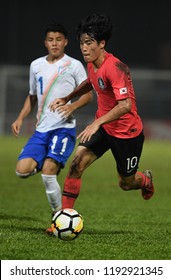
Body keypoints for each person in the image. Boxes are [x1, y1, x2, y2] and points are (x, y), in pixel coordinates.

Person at [49, 13, 155, 213]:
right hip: (104, 127)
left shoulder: (115, 68)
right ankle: (62, 218)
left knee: (126, 183)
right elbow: (90, 82)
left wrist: (95, 123)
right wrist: (67, 97)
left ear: (102, 43)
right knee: (76, 166)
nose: (84, 48)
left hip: (127, 133)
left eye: (89, 43)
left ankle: (145, 180)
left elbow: (125, 105)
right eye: (82, 43)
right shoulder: (92, 63)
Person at [11, 22, 93, 225]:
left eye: (58, 39)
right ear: (45, 43)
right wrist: (21, 117)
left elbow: (88, 96)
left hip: (64, 128)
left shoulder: (73, 65)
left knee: (48, 173)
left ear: (65, 42)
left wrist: (72, 107)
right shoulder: (36, 65)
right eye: (50, 40)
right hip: (41, 130)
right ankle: (50, 161)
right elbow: (31, 96)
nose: (54, 43)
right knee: (21, 171)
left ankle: (59, 218)